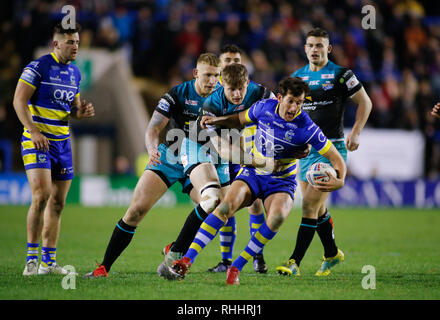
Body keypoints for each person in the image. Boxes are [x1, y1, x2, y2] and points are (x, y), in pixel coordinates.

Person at [169, 76, 347, 285]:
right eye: (291, 101)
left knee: (277, 216)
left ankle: (236, 267)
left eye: (299, 103)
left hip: (282, 181)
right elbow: (239, 119)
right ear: (280, 98)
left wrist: (340, 181)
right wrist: (216, 120)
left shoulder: (306, 127)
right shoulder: (264, 108)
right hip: (253, 172)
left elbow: (336, 158)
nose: (294, 108)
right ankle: (186, 261)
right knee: (226, 206)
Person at [84, 53, 221, 278]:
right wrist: (152, 148)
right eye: (207, 75)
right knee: (136, 210)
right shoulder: (178, 93)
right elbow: (153, 128)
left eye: (216, 76)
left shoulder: (222, 97)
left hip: (200, 160)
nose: (212, 81)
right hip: (170, 157)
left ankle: (176, 248)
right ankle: (103, 267)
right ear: (196, 73)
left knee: (212, 205)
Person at [276, 27, 372, 277]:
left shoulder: (341, 74)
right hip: (305, 150)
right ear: (304, 48)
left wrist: (357, 132)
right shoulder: (298, 77)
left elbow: (365, 101)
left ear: (328, 49)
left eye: (320, 45)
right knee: (317, 209)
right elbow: (289, 112)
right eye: (310, 45)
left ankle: (293, 262)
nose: (315, 50)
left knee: (308, 206)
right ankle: (331, 254)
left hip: (331, 149)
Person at [14, 22, 95, 275]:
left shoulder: (75, 73)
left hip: (63, 143)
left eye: (78, 42)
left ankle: (48, 263)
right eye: (71, 42)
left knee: (58, 203)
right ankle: (31, 260)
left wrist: (82, 113)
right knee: (41, 195)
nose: (76, 47)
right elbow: (19, 101)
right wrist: (34, 131)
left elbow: (72, 110)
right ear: (56, 43)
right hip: (37, 140)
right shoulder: (38, 67)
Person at [210, 44, 269, 273]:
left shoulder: (257, 91)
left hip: (251, 152)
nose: (233, 64)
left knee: (255, 204)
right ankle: (226, 261)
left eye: (237, 60)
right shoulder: (212, 97)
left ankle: (257, 256)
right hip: (225, 155)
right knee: (226, 203)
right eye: (228, 61)